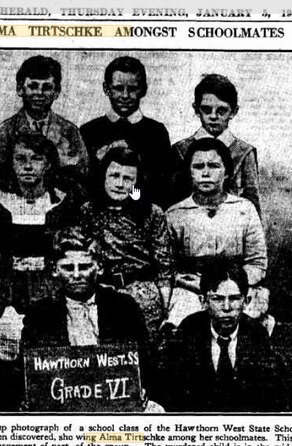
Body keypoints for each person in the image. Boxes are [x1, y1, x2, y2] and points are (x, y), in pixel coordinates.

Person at [22, 228, 163, 412]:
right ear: (55, 270)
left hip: (115, 400)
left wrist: (141, 388)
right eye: (67, 267)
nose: (76, 275)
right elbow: (31, 371)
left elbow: (144, 358)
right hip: (64, 403)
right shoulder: (40, 315)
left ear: (100, 268)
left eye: (84, 266)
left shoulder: (123, 306)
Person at [157, 262, 289, 412]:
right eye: (217, 299)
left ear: (246, 301)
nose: (226, 307)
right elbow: (173, 395)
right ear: (203, 301)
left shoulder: (257, 335)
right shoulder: (188, 332)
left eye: (234, 298)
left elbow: (270, 398)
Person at [0, 133, 83, 320]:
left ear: (48, 164)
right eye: (20, 159)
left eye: (36, 159)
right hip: (6, 286)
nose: (27, 166)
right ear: (11, 163)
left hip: (50, 285)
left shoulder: (63, 202)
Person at [165, 138, 267, 328]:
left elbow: (257, 263)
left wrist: (233, 283)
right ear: (189, 172)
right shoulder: (174, 215)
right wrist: (199, 285)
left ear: (227, 172)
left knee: (247, 323)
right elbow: (167, 268)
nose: (205, 173)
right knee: (182, 324)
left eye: (213, 166)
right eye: (198, 166)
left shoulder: (244, 209)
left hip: (238, 285)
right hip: (193, 288)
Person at [80, 146, 173, 340]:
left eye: (128, 179)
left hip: (141, 293)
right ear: (103, 177)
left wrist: (165, 308)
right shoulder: (88, 211)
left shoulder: (151, 213)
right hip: (101, 291)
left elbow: (164, 266)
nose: (120, 184)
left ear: (137, 183)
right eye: (114, 176)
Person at [0, 55, 88, 203]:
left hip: (60, 212)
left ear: (57, 92)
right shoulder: (4, 132)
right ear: (20, 89)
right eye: (33, 86)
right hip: (16, 211)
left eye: (46, 87)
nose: (39, 93)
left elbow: (82, 179)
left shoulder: (69, 131)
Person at [80, 56, 172, 209]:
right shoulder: (89, 131)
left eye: (132, 89)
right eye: (118, 88)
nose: (125, 96)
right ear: (106, 89)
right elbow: (85, 183)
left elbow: (162, 185)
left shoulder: (156, 132)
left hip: (142, 216)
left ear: (143, 90)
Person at [171, 74, 260, 215]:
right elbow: (173, 200)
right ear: (196, 109)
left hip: (233, 226)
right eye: (206, 109)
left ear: (233, 112)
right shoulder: (180, 150)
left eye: (221, 111)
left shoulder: (244, 152)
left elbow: (253, 202)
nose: (213, 116)